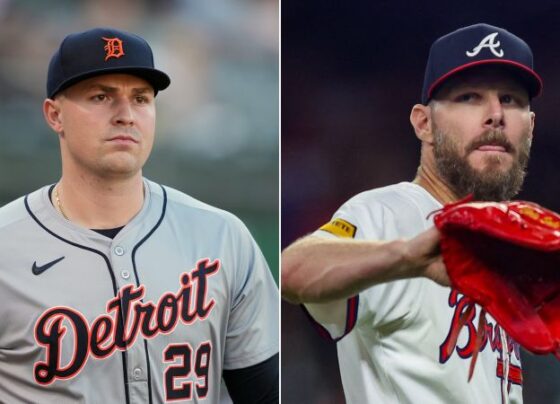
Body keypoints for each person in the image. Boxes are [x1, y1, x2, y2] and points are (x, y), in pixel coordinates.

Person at [0, 27, 278, 403]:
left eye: (141, 98)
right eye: (101, 97)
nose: (126, 115)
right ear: (55, 115)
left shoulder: (222, 236)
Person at [282, 23, 541, 403]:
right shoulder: (390, 214)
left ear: (530, 127)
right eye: (469, 97)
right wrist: (406, 257)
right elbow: (292, 271)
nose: (495, 114)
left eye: (511, 99)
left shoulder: (506, 246)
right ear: (424, 123)